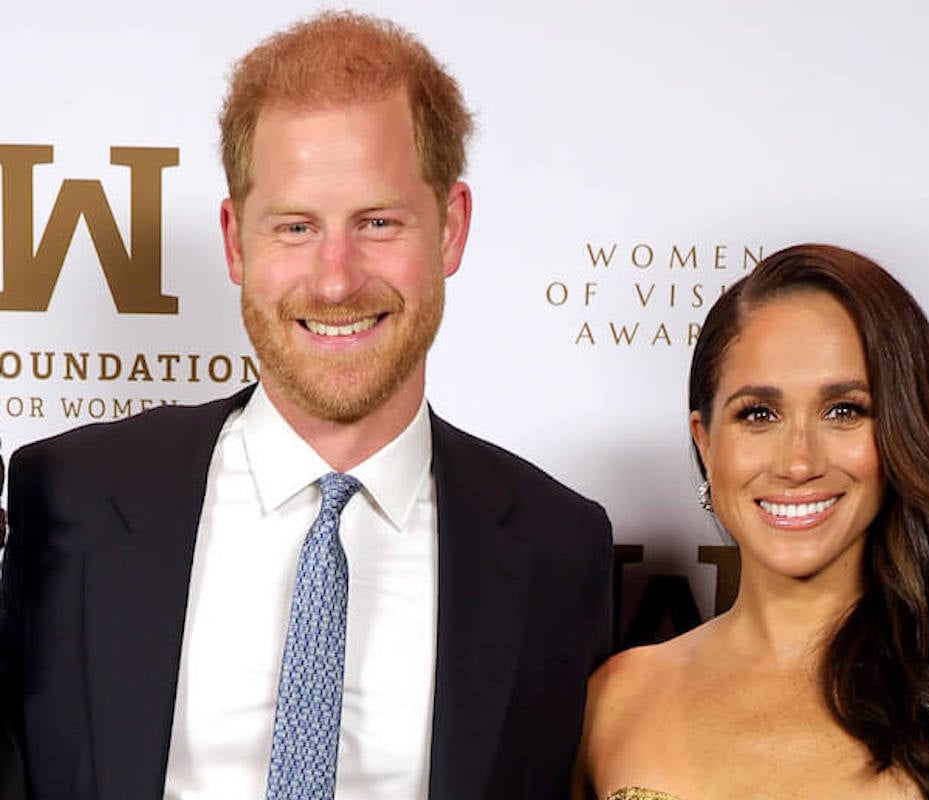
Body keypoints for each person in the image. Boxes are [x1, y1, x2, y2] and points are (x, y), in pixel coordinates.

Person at [0, 12, 611, 800]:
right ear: (235, 241)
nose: (335, 279)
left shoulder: (558, 548)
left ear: (452, 228)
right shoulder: (72, 495)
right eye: (295, 226)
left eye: (379, 223)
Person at [574, 244, 929, 800]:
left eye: (844, 410)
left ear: (902, 436)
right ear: (706, 441)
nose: (798, 463)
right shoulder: (614, 700)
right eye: (758, 414)